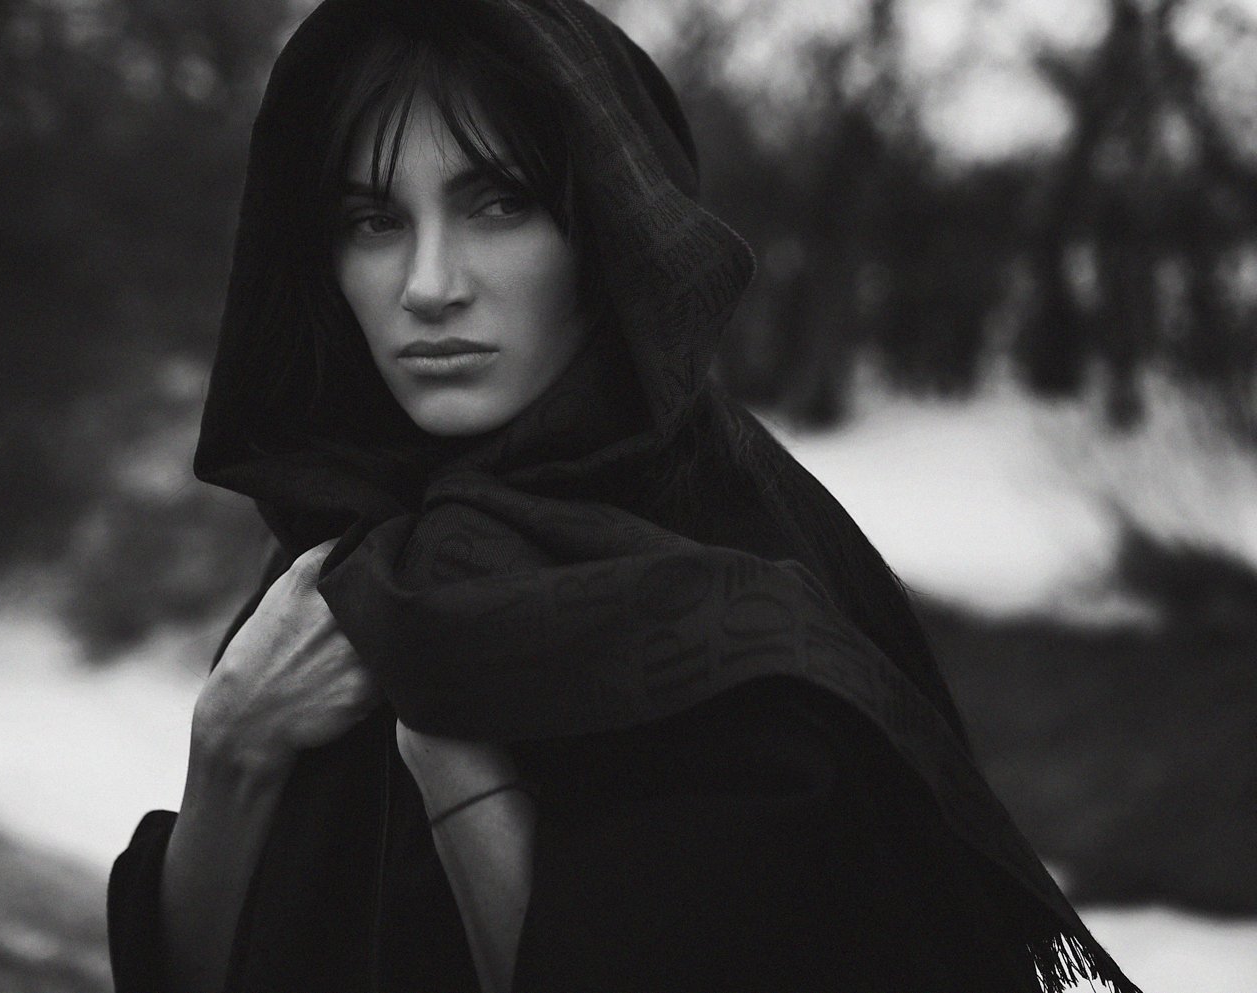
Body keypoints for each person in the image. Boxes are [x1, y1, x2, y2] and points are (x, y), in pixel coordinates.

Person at [107, 1, 1143, 991]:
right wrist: (231, 746)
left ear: (611, 226)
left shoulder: (732, 587)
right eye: (373, 219)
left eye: (500, 203)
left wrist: (461, 764)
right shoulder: (343, 561)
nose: (428, 284)